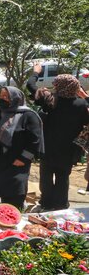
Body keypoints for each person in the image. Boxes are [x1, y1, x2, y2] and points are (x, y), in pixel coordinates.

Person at [26, 64, 89, 210]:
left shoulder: (49, 100)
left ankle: (47, 204)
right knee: (63, 177)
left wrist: (36, 72)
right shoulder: (81, 105)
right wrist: (84, 96)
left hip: (47, 147)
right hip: (69, 149)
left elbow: (30, 85)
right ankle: (61, 205)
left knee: (46, 176)